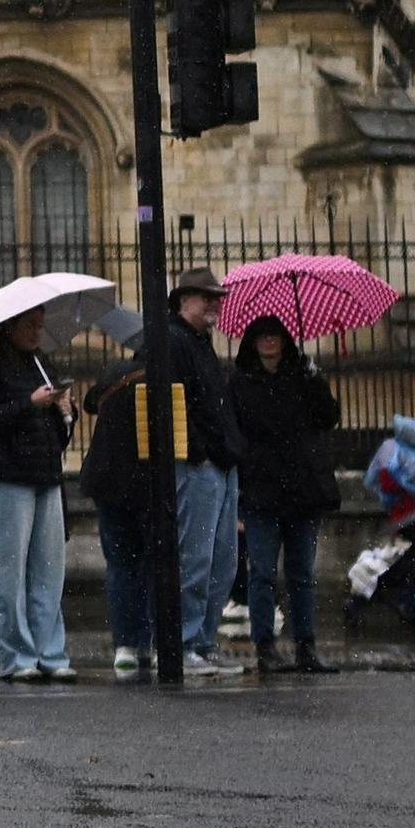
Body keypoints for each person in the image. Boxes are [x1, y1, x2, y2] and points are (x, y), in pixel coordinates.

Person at [0, 308, 76, 681]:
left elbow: (53, 426)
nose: (37, 332)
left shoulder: (39, 361)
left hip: (45, 471)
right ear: (10, 325)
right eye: (30, 325)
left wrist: (65, 412)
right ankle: (15, 655)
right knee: (11, 570)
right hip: (10, 474)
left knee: (48, 567)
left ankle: (48, 651)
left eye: (40, 325)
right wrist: (29, 403)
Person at [227, 317, 339, 672]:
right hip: (262, 490)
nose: (269, 341)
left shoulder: (303, 377)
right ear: (253, 342)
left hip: (302, 489)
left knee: (302, 573)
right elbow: (237, 434)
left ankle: (306, 645)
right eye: (262, 336)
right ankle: (265, 647)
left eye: (275, 335)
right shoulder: (240, 382)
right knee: (261, 572)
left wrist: (315, 378)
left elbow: (328, 417)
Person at [161, 268, 247, 674]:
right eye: (205, 296)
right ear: (182, 300)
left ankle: (203, 640)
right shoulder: (174, 341)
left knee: (222, 563)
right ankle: (185, 643)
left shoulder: (199, 342)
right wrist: (200, 453)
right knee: (196, 561)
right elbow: (172, 404)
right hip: (202, 467)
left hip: (221, 465)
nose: (215, 303)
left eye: (218, 297)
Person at [77, 347, 157, 672]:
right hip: (144, 482)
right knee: (150, 565)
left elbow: (90, 404)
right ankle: (146, 640)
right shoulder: (158, 380)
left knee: (121, 565)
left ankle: (125, 642)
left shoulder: (115, 374)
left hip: (107, 480)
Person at [362, 413, 415, 633]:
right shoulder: (407, 451)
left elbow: (380, 480)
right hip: (412, 513)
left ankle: (411, 599)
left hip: (409, 513)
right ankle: (414, 599)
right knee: (413, 558)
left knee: (411, 558)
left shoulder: (401, 450)